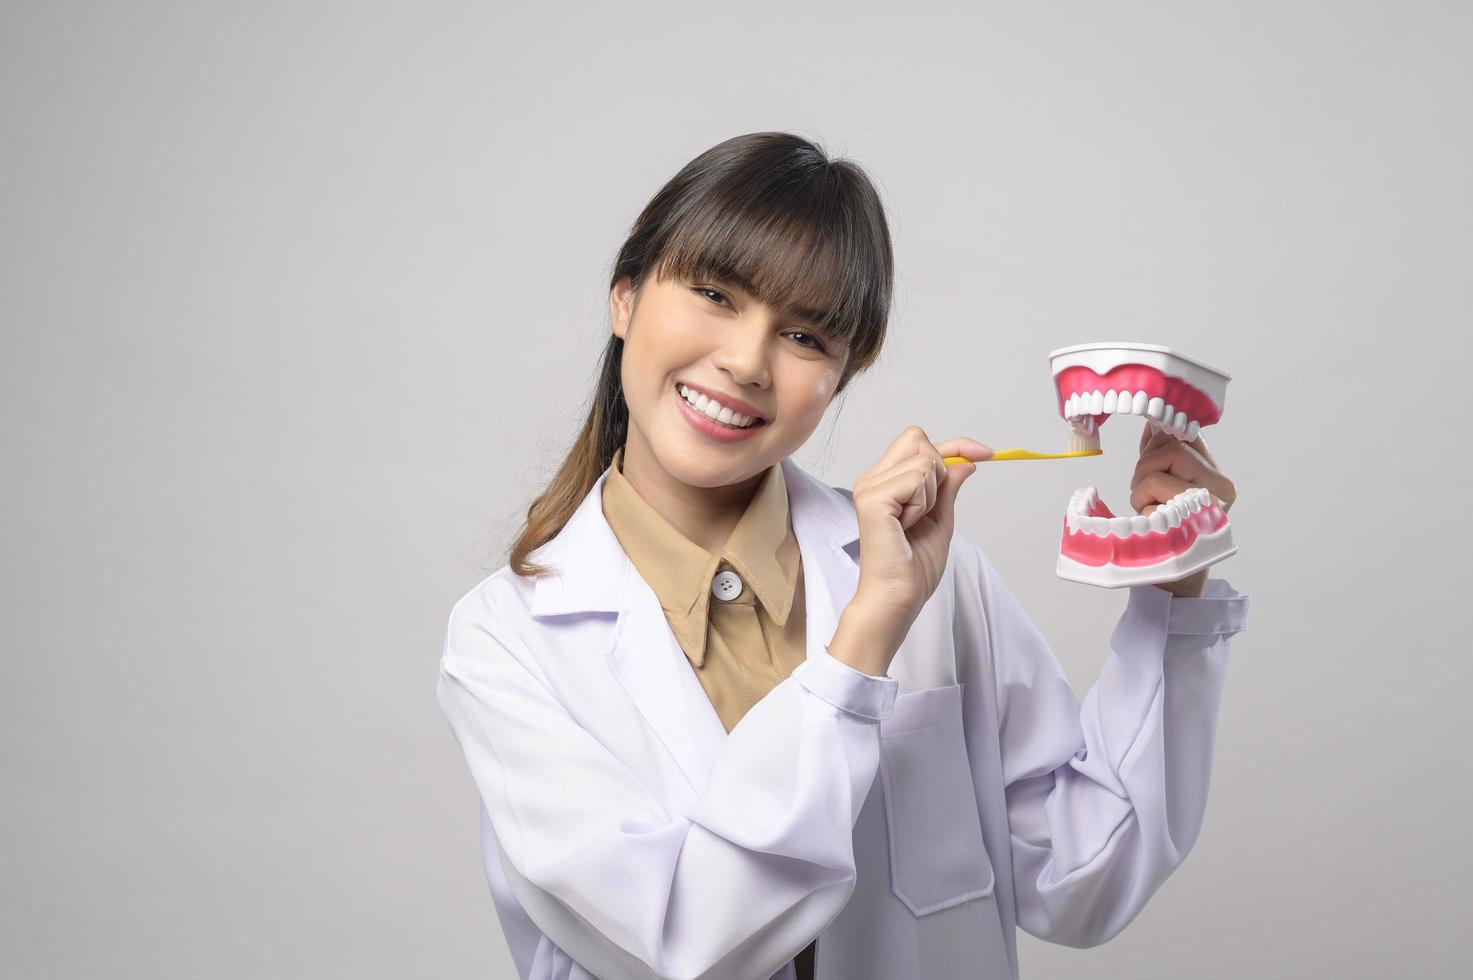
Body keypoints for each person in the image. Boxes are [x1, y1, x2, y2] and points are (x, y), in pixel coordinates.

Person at [436, 131, 1251, 980]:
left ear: (841, 375)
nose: (745, 362)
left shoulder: (933, 576)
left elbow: (1084, 879)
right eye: (714, 293)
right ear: (625, 299)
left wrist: (1175, 589)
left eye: (805, 339)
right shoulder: (505, 639)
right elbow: (686, 946)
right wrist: (866, 634)